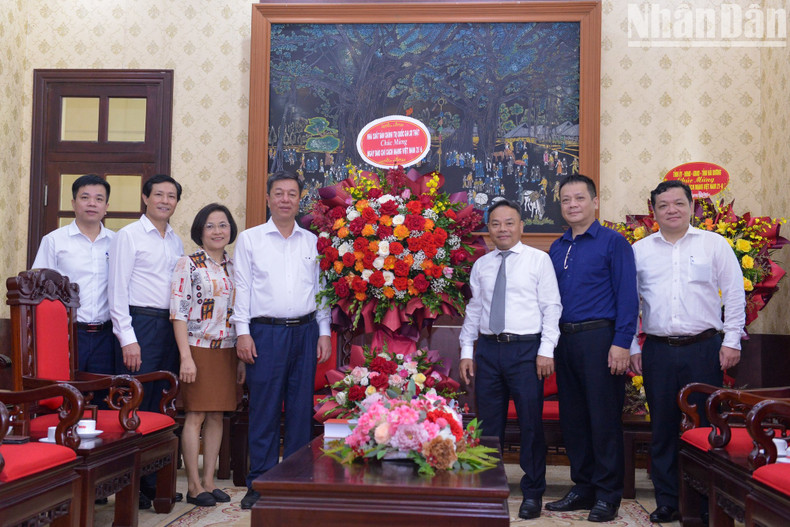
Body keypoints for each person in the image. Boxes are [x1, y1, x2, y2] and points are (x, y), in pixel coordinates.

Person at [629, 180, 745, 523]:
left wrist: (732, 340)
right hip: (658, 351)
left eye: (678, 203)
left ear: (692, 206)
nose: (671, 210)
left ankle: (708, 500)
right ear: (653, 212)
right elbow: (629, 302)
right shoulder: (640, 250)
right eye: (663, 205)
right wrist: (633, 344)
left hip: (704, 348)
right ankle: (668, 500)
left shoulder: (714, 244)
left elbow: (735, 293)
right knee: (662, 427)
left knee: (708, 425)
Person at [231, 170, 331, 510]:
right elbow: (241, 288)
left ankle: (297, 479)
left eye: (291, 193)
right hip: (264, 333)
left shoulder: (313, 241)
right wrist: (242, 332)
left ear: (299, 199)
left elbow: (322, 292)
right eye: (279, 193)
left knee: (301, 410)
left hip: (305, 332)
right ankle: (260, 481)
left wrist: (325, 332)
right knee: (265, 409)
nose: (285, 199)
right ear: (269, 198)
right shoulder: (250, 239)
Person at [459, 199, 562, 520]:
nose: (502, 229)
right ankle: (489, 490)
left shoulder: (538, 261)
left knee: (531, 425)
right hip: (488, 351)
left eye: (508, 223)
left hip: (526, 352)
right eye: (495, 224)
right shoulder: (482, 265)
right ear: (488, 229)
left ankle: (533, 492)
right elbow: (474, 311)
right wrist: (466, 350)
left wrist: (547, 350)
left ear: (521, 226)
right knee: (488, 427)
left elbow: (552, 307)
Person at [546, 174, 639, 522]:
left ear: (595, 202)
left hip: (601, 339)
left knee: (603, 420)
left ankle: (607, 493)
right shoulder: (557, 247)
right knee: (574, 420)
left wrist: (621, 343)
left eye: (580, 198)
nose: (573, 205)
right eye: (566, 199)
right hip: (565, 341)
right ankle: (582, 486)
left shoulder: (614, 243)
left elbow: (628, 298)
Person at [108, 173, 184, 508]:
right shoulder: (128, 236)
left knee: (160, 405)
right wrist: (128, 338)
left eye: (171, 196)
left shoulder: (176, 241)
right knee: (133, 406)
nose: (165, 201)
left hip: (168, 327)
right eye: (159, 195)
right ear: (145, 197)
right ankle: (130, 484)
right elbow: (117, 290)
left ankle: (153, 481)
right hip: (139, 326)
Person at [170, 203, 245, 507]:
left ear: (231, 230)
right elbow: (178, 313)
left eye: (223, 225)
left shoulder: (234, 266)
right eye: (211, 225)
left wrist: (240, 357)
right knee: (196, 415)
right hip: (197, 348)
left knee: (217, 416)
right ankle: (193, 485)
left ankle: (211, 481)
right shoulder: (187, 264)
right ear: (200, 230)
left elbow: (240, 312)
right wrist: (185, 357)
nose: (218, 231)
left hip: (227, 350)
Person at [33, 174, 117, 407]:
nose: (92, 203)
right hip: (67, 335)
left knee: (103, 401)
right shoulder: (54, 241)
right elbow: (38, 291)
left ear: (106, 207)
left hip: (107, 335)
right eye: (85, 197)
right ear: (73, 203)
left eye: (99, 199)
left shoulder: (117, 242)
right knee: (64, 400)